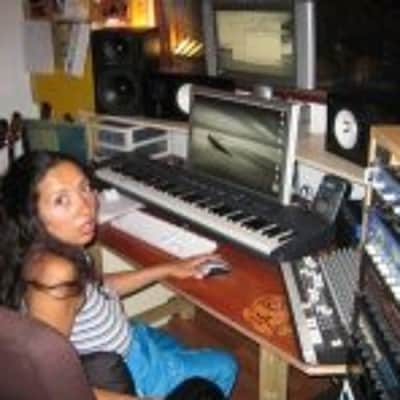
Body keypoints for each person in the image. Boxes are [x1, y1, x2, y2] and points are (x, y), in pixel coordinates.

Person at [0, 151, 238, 399]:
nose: (86, 208)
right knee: (225, 366)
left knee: (175, 345)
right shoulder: (56, 274)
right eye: (62, 200)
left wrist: (169, 268)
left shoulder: (50, 248)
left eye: (85, 188)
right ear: (31, 215)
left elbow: (101, 288)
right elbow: (55, 383)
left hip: (129, 337)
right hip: (132, 368)